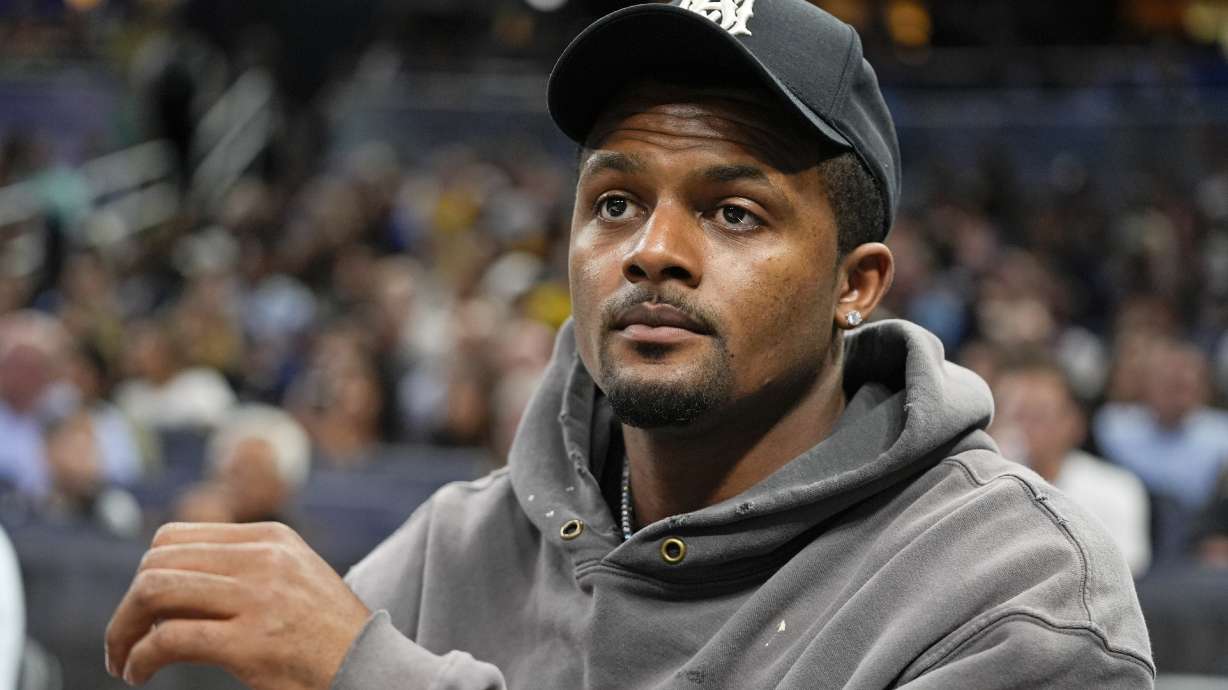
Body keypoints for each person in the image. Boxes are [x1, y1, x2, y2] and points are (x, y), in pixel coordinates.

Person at [104, 2, 1154, 688]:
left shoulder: (1011, 589)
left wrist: (375, 674)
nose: (653, 250)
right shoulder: (459, 544)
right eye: (613, 201)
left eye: (733, 212)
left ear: (854, 286)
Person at [989, 355, 1151, 575]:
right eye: (1016, 415)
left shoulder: (1117, 487)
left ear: (1073, 423)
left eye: (1037, 415)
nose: (1024, 427)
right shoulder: (989, 488)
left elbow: (1129, 568)